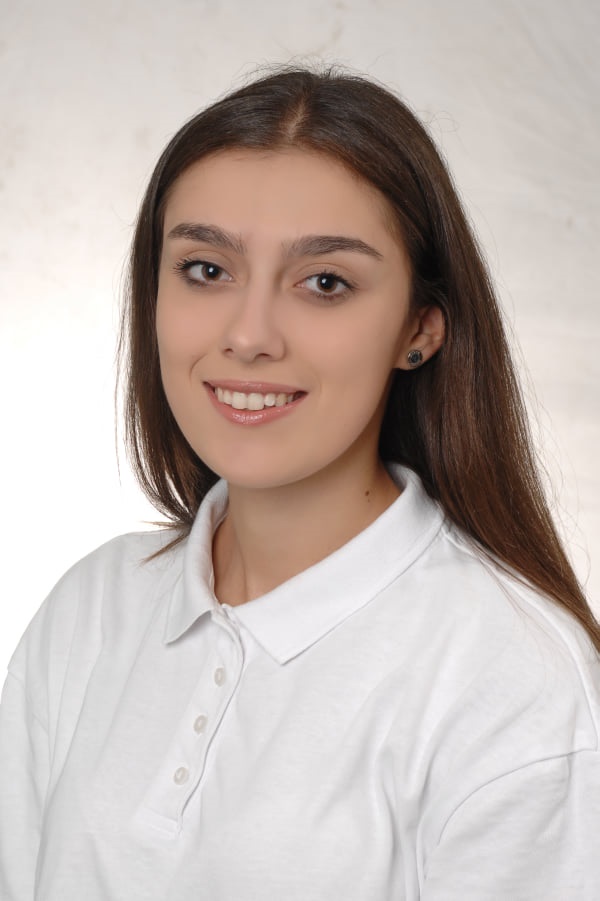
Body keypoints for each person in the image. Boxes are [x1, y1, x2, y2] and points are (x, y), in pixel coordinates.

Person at [1, 66, 599, 900]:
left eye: (325, 282)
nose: (249, 336)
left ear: (420, 328)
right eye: (206, 269)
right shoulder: (91, 609)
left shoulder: (514, 681)